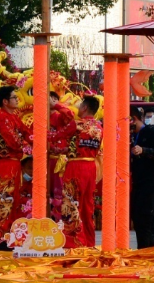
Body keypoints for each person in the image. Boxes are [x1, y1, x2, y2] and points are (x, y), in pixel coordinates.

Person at [0, 86, 32, 251]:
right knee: (3, 199)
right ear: (5, 101)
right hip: (5, 163)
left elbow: (27, 132)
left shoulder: (13, 118)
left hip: (13, 163)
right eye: (14, 97)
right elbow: (13, 141)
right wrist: (28, 144)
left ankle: (9, 238)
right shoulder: (2, 117)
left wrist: (42, 138)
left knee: (13, 200)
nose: (17, 99)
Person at [61, 95, 102, 248]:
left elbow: (55, 135)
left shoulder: (77, 124)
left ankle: (74, 243)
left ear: (84, 108)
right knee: (87, 205)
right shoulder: (99, 127)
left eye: (80, 105)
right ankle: (89, 242)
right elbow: (82, 146)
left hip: (76, 167)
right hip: (91, 167)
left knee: (71, 202)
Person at [129, 106, 154, 249]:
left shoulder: (152, 132)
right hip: (138, 182)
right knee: (137, 217)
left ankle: (144, 251)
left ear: (133, 119)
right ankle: (149, 248)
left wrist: (144, 150)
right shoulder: (131, 136)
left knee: (145, 218)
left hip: (152, 182)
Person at [48, 91, 75, 222]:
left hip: (59, 161)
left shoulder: (60, 118)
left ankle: (60, 221)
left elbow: (70, 116)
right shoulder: (38, 118)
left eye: (52, 99)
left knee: (60, 192)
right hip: (44, 161)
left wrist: (56, 105)